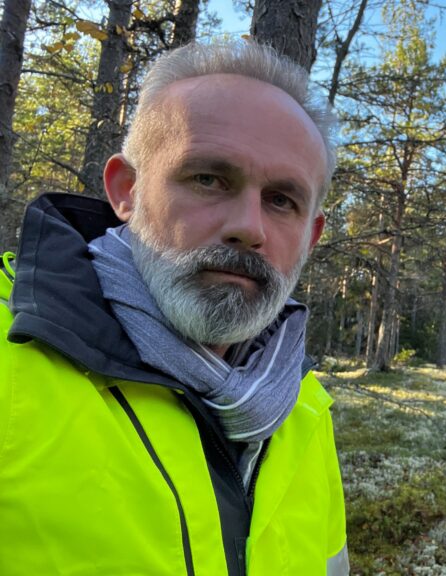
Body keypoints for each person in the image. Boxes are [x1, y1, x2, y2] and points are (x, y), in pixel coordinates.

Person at [0, 41, 348, 575]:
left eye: (282, 200)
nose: (249, 227)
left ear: (311, 235)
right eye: (208, 179)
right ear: (126, 191)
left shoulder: (303, 407)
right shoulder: (14, 362)